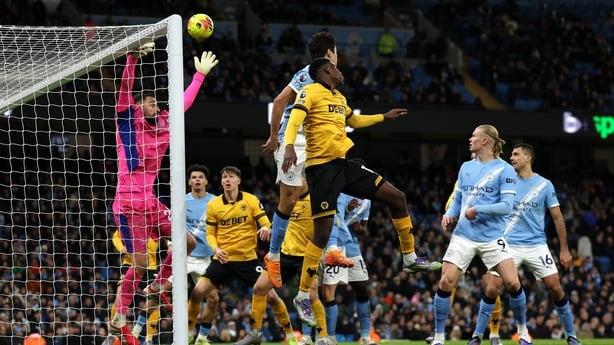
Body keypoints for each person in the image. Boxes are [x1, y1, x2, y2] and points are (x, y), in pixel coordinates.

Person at [282, 57, 441, 326]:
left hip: (343, 165)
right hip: (321, 170)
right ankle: (302, 296)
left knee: (397, 197)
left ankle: (410, 258)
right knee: (321, 232)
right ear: (326, 70)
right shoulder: (310, 90)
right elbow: (296, 117)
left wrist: (384, 116)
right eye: (337, 68)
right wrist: (288, 145)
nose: (341, 71)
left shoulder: (339, 97)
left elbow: (354, 119)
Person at [109, 41, 219, 345]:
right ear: (137, 105)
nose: (155, 106)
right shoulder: (127, 123)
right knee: (140, 265)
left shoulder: (164, 125)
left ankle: (159, 285)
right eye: (149, 102)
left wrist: (199, 76)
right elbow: (123, 91)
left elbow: (182, 103)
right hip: (129, 204)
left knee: (187, 241)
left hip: (151, 201)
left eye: (156, 102)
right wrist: (131, 59)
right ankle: (119, 316)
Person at [467, 143, 581, 345]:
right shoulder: (506, 180)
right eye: (511, 154)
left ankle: (571, 336)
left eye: (516, 154)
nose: (511, 157)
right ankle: (477, 336)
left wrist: (564, 249)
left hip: (536, 245)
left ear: (528, 158)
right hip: (508, 244)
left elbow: (557, 217)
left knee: (555, 287)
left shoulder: (545, 185)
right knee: (493, 287)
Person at [262, 31, 348, 290]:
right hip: (295, 141)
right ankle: (274, 255)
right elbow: (279, 101)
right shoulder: (310, 74)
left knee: (325, 189)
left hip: (313, 143)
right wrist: (275, 137)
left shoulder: (329, 81)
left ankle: (331, 247)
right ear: (331, 53)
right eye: (337, 50)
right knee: (289, 199)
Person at [433, 124, 530, 345]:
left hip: (492, 237)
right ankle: (438, 337)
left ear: (485, 141)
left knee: (513, 284)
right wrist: (449, 214)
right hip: (463, 236)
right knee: (446, 281)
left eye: (474, 136)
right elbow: (457, 198)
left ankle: (523, 332)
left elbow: (507, 206)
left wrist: (479, 210)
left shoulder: (505, 170)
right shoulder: (466, 167)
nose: (470, 139)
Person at [186, 166, 297, 345]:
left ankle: (291, 336)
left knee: (272, 296)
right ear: (221, 182)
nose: (227, 180)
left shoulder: (251, 200)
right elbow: (210, 234)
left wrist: (265, 228)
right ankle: (190, 333)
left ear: (238, 180)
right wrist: (215, 249)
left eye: (231, 177)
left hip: (247, 260)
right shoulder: (213, 205)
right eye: (224, 177)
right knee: (198, 292)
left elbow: (265, 222)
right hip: (222, 260)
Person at [233, 177, 326, 345]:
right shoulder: (287, 200)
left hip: (308, 256)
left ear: (307, 180)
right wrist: (271, 244)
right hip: (285, 255)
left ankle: (322, 338)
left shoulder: (318, 199)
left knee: (311, 296)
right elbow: (279, 225)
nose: (294, 184)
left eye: (299, 180)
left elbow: (326, 227)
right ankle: (255, 333)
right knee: (259, 288)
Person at [320, 189, 378, 345]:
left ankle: (365, 336)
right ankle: (330, 337)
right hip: (334, 244)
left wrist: (360, 227)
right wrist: (347, 210)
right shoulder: (341, 194)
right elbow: (334, 218)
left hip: (351, 245)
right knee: (328, 292)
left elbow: (363, 226)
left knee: (363, 288)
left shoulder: (368, 200)